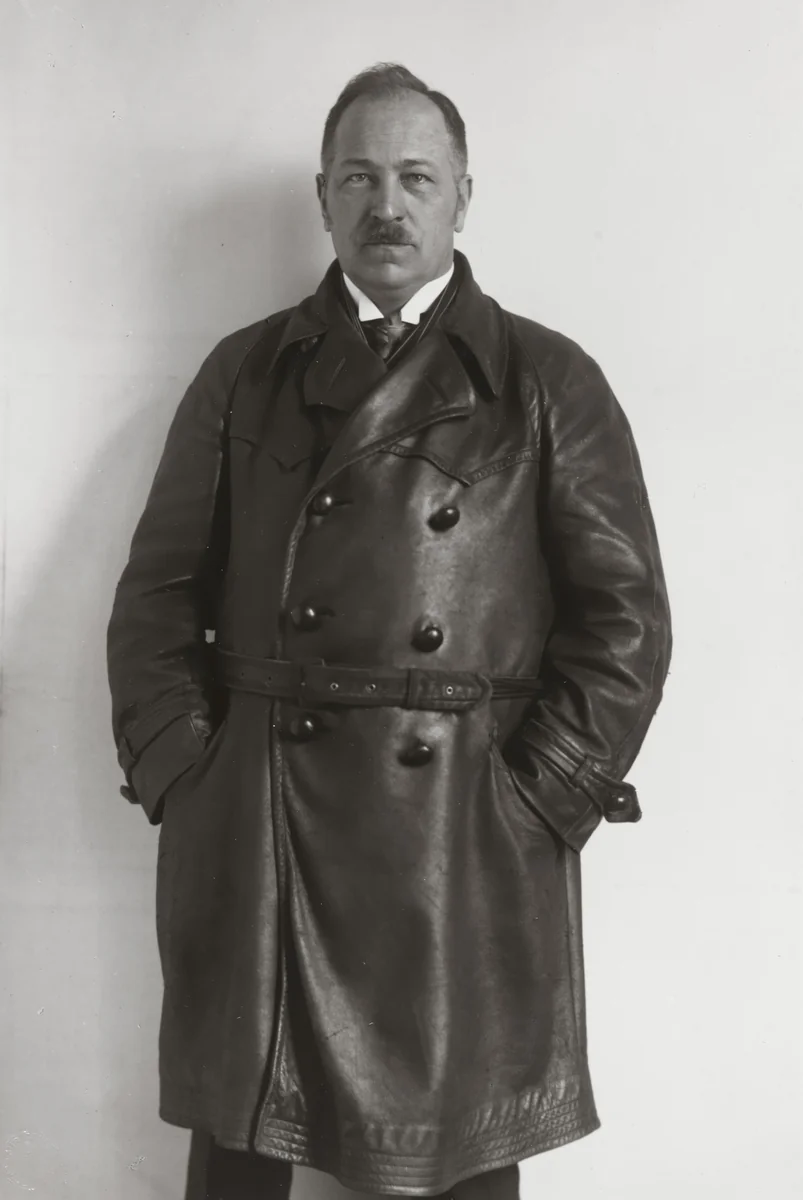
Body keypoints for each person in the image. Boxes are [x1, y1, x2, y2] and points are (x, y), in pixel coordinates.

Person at [107, 63, 672, 1200]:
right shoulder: (243, 374)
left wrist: (534, 804)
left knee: (456, 1162)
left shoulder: (545, 381)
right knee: (240, 1158)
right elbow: (158, 593)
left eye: (416, 177)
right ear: (323, 195)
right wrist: (189, 772)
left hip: (457, 848)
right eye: (359, 176)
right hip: (262, 830)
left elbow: (624, 621)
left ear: (464, 195)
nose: (387, 204)